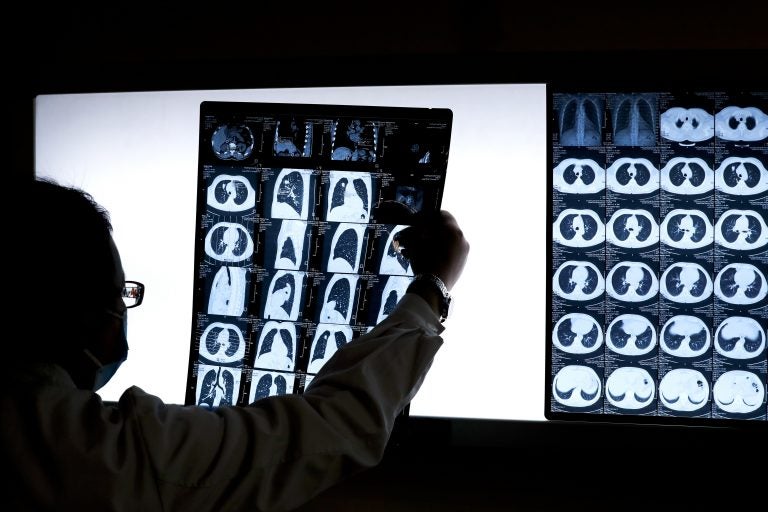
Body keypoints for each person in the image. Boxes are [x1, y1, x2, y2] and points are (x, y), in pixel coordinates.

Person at [2, 177, 469, 511]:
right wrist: (433, 289)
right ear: (81, 314)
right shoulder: (97, 454)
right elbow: (334, 426)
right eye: (119, 296)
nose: (121, 314)